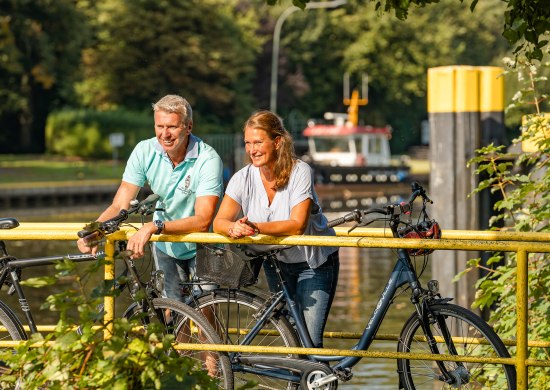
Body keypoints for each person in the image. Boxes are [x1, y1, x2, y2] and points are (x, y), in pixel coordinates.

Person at [77, 94, 223, 302]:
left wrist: (153, 227)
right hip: (166, 244)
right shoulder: (145, 151)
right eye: (159, 126)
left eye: (172, 127)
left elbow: (203, 220)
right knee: (173, 313)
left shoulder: (208, 159)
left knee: (206, 314)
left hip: (203, 243)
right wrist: (96, 229)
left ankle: (208, 332)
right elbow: (120, 204)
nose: (165, 134)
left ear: (189, 127)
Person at [213, 110, 339, 348]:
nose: (252, 150)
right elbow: (219, 221)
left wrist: (254, 226)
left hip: (313, 262)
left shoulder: (300, 171)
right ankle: (297, 382)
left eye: (258, 142)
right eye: (248, 143)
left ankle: (314, 381)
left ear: (277, 141)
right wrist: (234, 228)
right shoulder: (242, 178)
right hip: (275, 262)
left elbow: (297, 224)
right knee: (290, 337)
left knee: (310, 341)